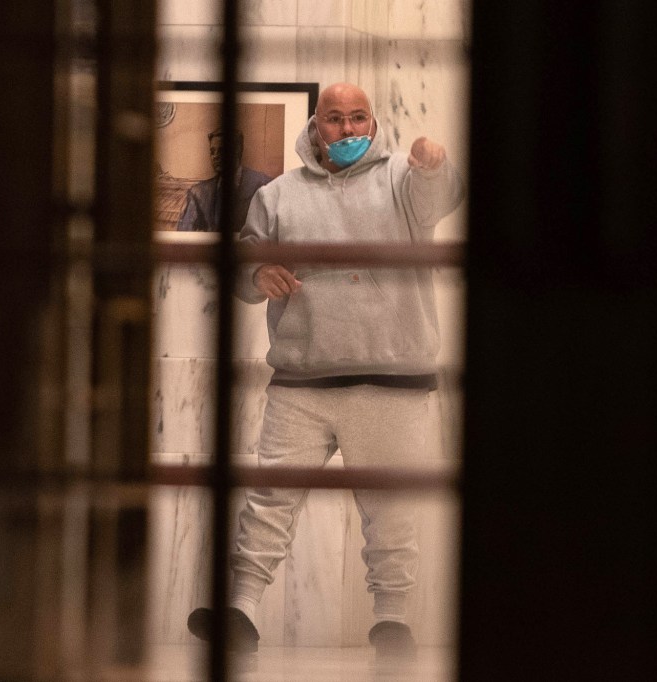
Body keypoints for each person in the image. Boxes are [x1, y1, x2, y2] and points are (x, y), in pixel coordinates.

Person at [187, 82, 464, 661]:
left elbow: (440, 194)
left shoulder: (402, 182)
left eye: (357, 118)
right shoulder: (279, 195)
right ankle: (239, 610)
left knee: (390, 513)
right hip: (302, 379)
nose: (346, 130)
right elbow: (245, 262)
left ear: (373, 122)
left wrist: (433, 164)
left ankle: (392, 621)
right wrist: (257, 278)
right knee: (269, 501)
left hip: (392, 380)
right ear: (315, 128)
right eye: (334, 119)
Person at [176, 128, 272, 232]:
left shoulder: (263, 185)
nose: (215, 156)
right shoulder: (198, 193)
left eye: (222, 150)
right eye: (212, 152)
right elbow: (184, 235)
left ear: (237, 151)